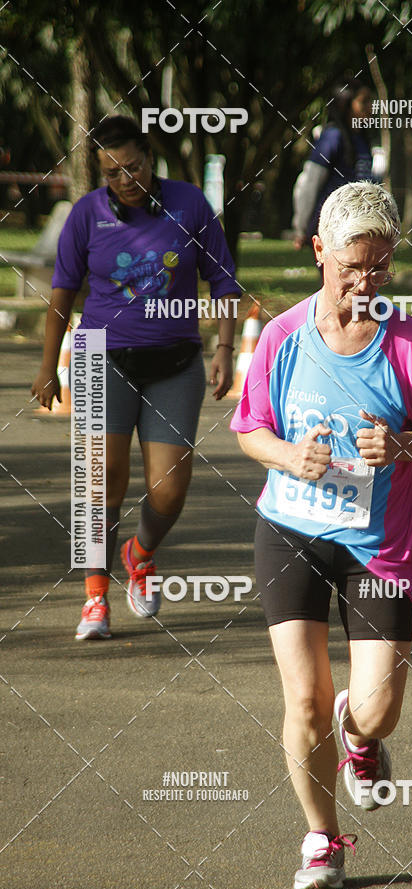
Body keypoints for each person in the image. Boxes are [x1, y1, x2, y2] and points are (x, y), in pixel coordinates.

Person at [231, 181, 412, 889]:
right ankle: (322, 840)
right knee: (301, 700)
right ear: (318, 252)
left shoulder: (409, 343)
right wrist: (286, 455)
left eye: (381, 266)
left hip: (381, 544)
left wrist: (402, 449)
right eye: (352, 266)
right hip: (293, 530)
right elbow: (250, 430)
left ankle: (358, 738)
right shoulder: (282, 336)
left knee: (378, 712)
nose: (366, 282)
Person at [31, 115, 240, 640]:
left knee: (168, 492)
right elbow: (61, 294)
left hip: (175, 360)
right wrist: (47, 366)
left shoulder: (189, 204)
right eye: (112, 172)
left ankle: (139, 555)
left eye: (133, 166)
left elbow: (222, 280)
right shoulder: (86, 216)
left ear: (151, 157)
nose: (124, 179)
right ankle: (95, 597)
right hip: (103, 355)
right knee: (102, 483)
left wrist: (226, 349)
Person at [292, 81, 374, 251]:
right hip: (333, 225)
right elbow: (310, 182)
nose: (370, 107)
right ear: (346, 103)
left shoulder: (362, 138)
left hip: (356, 224)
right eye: (364, 101)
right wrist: (300, 227)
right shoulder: (332, 136)